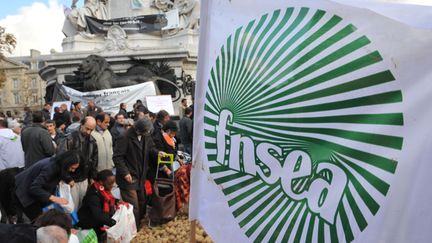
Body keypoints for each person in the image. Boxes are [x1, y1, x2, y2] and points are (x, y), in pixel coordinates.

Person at [113, 118, 165, 227]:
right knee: (134, 206)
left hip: (141, 175)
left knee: (142, 202)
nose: (147, 134)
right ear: (138, 130)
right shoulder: (124, 137)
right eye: (146, 132)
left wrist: (157, 153)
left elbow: (151, 148)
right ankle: (134, 229)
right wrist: (125, 173)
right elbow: (117, 158)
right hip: (128, 177)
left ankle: (140, 225)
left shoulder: (146, 136)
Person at [15, 151, 80, 221]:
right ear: (66, 163)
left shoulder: (59, 163)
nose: (73, 171)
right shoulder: (50, 167)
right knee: (39, 221)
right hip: (23, 191)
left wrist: (68, 179)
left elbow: (62, 171)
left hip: (32, 189)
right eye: (72, 168)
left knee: (44, 217)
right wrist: (54, 198)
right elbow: (34, 188)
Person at [58, 116, 98, 210]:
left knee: (81, 205)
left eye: (91, 130)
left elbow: (94, 160)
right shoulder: (70, 139)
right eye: (87, 128)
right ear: (81, 125)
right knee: (71, 208)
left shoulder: (92, 141)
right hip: (72, 180)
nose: (88, 132)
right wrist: (67, 178)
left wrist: (92, 177)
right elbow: (61, 160)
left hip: (84, 179)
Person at [77, 170, 122, 241]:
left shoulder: (102, 189)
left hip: (98, 220)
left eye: (113, 183)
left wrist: (116, 201)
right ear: (101, 182)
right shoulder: (93, 196)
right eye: (110, 183)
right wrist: (113, 222)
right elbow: (98, 215)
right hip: (90, 224)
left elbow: (108, 198)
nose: (112, 185)